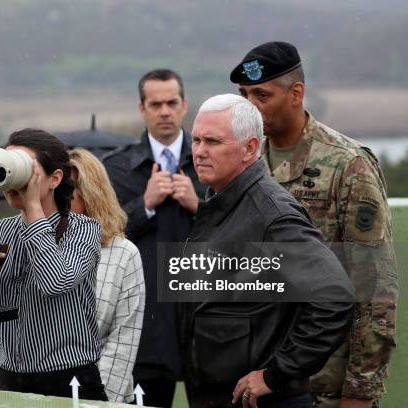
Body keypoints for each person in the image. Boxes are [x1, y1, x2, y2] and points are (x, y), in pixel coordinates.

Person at [231, 41, 398, 408]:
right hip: (257, 383)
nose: (250, 106)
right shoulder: (247, 163)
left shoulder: (348, 166)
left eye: (262, 94)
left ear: (296, 93)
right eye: (244, 95)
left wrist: (359, 394)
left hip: (324, 386)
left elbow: (374, 292)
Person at [182, 94, 355, 408]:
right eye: (195, 140)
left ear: (250, 148)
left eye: (213, 141)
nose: (200, 152)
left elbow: (334, 298)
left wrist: (276, 374)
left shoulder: (271, 215)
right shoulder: (221, 202)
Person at [0, 129, 107, 401]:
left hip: (69, 380)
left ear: (55, 178)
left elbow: (56, 282)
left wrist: (34, 210)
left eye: (25, 169)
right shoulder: (1, 231)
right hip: (9, 379)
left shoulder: (84, 230)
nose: (17, 180)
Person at [103, 68, 206, 408]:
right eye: (155, 103)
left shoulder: (213, 161)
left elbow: (242, 232)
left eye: (171, 102)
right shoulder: (116, 169)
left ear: (184, 105)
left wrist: (199, 206)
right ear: (141, 108)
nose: (164, 111)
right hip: (145, 323)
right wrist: (144, 206)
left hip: (206, 319)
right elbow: (103, 236)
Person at [68, 148, 146, 403]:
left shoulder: (124, 255)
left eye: (69, 193)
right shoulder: (41, 244)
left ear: (90, 196)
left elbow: (122, 344)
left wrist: (97, 401)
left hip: (104, 396)